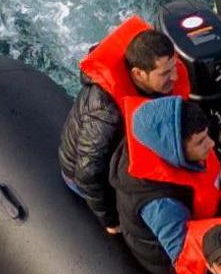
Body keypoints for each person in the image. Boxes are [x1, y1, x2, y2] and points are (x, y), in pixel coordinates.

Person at [62, 18, 179, 233]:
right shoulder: (105, 113)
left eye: (173, 68)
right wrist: (111, 220)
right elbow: (88, 173)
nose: (175, 76)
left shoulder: (159, 79)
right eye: (165, 74)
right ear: (138, 74)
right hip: (90, 176)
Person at [109, 94, 221, 274]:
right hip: (170, 256)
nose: (211, 144)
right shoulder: (160, 205)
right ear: (176, 150)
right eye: (201, 142)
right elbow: (185, 257)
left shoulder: (154, 143)